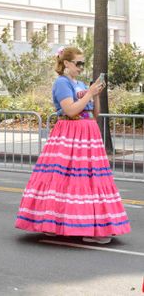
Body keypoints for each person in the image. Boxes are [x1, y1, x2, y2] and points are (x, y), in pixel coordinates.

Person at [15, 46, 131, 244]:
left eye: (82, 63)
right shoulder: (61, 82)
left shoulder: (80, 83)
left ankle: (75, 225)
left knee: (87, 179)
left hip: (87, 133)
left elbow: (94, 114)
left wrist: (95, 94)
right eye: (78, 63)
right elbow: (69, 110)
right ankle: (54, 223)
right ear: (67, 63)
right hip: (70, 132)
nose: (81, 67)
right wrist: (89, 93)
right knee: (66, 178)